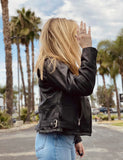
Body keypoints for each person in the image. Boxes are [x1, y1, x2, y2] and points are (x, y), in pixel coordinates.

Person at [34, 18, 97, 160]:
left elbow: (67, 107)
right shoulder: (50, 63)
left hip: (61, 138)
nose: (77, 40)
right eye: (74, 36)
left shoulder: (60, 67)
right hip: (55, 139)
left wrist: (76, 138)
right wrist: (87, 49)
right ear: (63, 38)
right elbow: (84, 86)